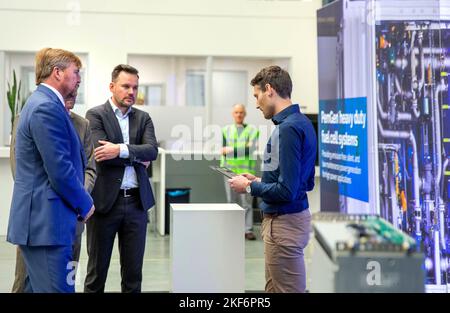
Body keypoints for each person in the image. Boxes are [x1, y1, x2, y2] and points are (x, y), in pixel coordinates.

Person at [7, 47, 95, 293]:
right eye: (75, 72)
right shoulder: (46, 108)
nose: (78, 79)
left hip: (45, 225)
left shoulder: (42, 104)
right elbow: (60, 170)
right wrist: (85, 203)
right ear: (57, 73)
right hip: (47, 226)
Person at [229, 65, 317, 293]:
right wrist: (258, 178)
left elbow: (286, 190)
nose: (256, 103)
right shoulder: (300, 122)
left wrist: (249, 187)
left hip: (284, 222)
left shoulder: (288, 129)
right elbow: (294, 180)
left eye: (257, 96)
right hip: (289, 220)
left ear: (269, 90)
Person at [84, 64, 158, 293]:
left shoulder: (143, 117)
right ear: (112, 86)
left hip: (136, 204)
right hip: (105, 204)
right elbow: (101, 155)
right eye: (126, 86)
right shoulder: (95, 115)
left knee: (133, 276)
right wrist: (136, 155)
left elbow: (152, 151)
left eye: (135, 87)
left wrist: (120, 150)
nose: (131, 92)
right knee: (97, 274)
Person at [221, 104, 259, 240]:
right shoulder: (225, 130)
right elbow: (223, 151)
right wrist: (240, 148)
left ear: (245, 114)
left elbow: (249, 149)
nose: (239, 115)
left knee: (246, 203)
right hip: (228, 170)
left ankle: (247, 230)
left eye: (241, 112)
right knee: (231, 202)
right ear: (233, 113)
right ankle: (233, 229)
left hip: (246, 172)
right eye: (236, 112)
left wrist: (232, 150)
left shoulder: (253, 131)